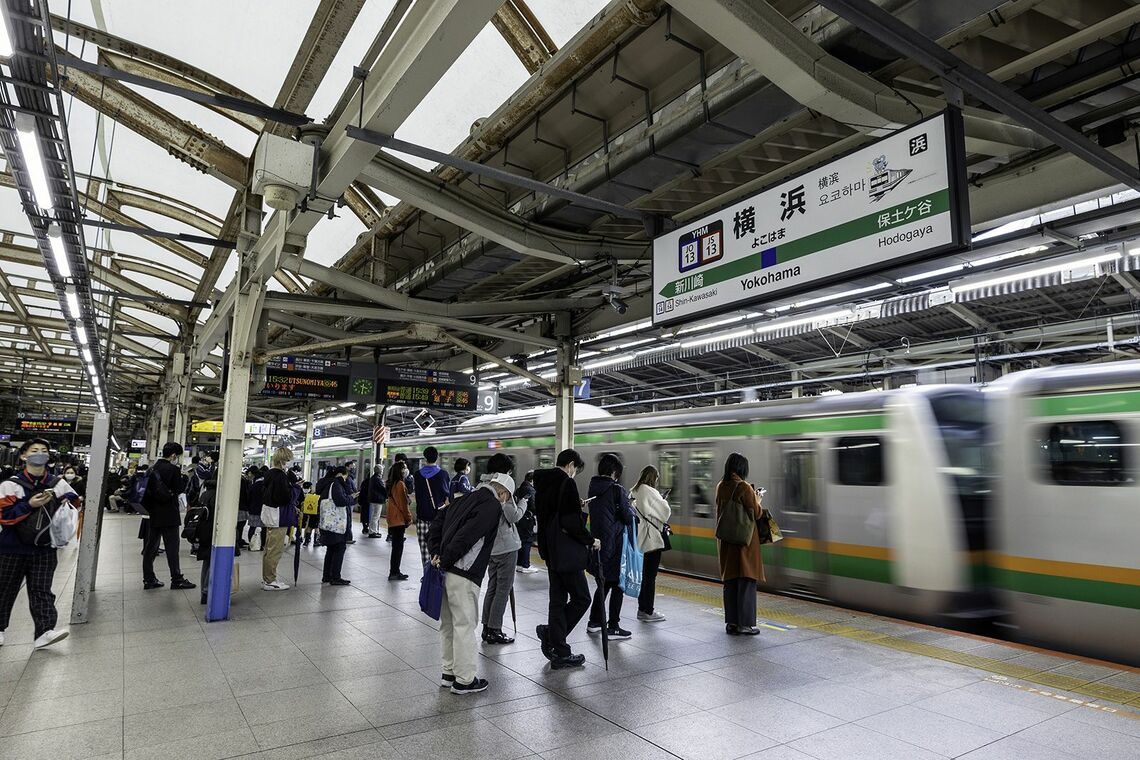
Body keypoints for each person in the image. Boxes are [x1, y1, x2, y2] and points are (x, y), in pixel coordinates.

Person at [429, 472, 515, 695]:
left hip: (445, 572)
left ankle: (448, 673)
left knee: (447, 624)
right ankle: (465, 680)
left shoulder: (463, 498)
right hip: (464, 574)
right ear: (503, 493)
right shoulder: (492, 506)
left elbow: (437, 522)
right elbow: (467, 536)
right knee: (464, 626)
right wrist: (447, 558)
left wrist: (436, 553)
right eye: (507, 498)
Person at [0, 439, 77, 648]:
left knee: (42, 589)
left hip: (44, 547)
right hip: (11, 548)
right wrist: (29, 505)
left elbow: (75, 502)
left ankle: (45, 632)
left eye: (44, 451)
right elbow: (4, 516)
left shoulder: (57, 483)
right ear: (24, 456)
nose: (39, 454)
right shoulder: (10, 485)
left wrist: (64, 503)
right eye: (34, 450)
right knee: (4, 588)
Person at [534, 448, 596, 669]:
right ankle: (552, 635)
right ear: (570, 464)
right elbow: (570, 523)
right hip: (565, 552)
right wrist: (590, 540)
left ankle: (560, 651)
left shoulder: (542, 482)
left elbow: (552, 514)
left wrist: (572, 505)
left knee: (558, 600)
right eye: (575, 469)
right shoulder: (566, 483)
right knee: (582, 598)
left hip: (550, 550)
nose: (574, 473)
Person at [586, 453, 635, 640]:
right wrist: (631, 507)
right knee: (617, 585)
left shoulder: (594, 487)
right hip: (614, 544)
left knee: (604, 584)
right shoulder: (616, 489)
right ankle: (613, 625)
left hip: (599, 544)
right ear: (615, 471)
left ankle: (594, 622)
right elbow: (627, 517)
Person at [716, 452, 764, 636]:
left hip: (727, 542)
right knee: (746, 581)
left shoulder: (721, 486)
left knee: (731, 582)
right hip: (744, 543)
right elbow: (757, 513)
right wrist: (757, 497)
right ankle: (745, 624)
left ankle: (732, 623)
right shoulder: (743, 487)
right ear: (742, 468)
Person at [480, 461, 526, 645]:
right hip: (506, 547)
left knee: (492, 587)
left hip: (491, 548)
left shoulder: (482, 488)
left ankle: (486, 627)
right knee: (503, 589)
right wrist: (523, 502)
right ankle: (495, 630)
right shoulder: (502, 490)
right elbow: (513, 516)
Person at [140, 443, 195, 591]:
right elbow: (179, 489)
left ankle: (149, 579)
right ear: (173, 455)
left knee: (150, 547)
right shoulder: (173, 469)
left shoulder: (151, 469)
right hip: (169, 513)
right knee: (172, 548)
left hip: (153, 514)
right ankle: (176, 579)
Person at [631, 465, 671, 622]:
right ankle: (648, 610)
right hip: (651, 539)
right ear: (654, 478)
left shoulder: (636, 490)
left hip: (640, 539)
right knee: (650, 577)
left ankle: (642, 609)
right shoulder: (650, 491)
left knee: (644, 576)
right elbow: (665, 512)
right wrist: (662, 500)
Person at [260, 447, 297, 591]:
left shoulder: (268, 474)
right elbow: (285, 498)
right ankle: (270, 580)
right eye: (287, 461)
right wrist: (295, 488)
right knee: (275, 550)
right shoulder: (280, 476)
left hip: (270, 514)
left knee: (269, 550)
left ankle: (267, 578)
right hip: (278, 517)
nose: (288, 464)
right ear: (282, 461)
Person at [412, 446, 450, 569]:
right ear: (437, 457)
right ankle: (436, 573)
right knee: (437, 546)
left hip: (422, 516)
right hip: (438, 518)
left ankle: (426, 573)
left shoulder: (417, 475)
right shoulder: (443, 474)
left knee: (424, 548)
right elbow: (446, 495)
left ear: (425, 458)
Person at [316, 466, 352, 585]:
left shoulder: (326, 484)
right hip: (336, 524)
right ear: (341, 474)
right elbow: (341, 501)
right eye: (346, 476)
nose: (346, 479)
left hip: (328, 523)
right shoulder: (336, 484)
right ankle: (335, 577)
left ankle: (327, 576)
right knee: (339, 548)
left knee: (331, 549)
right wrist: (352, 498)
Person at [384, 461, 412, 580]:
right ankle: (395, 572)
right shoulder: (400, 484)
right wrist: (409, 518)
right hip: (398, 519)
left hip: (392, 518)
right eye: (404, 468)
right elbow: (403, 504)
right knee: (398, 547)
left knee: (396, 547)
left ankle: (394, 571)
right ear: (399, 471)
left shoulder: (392, 483)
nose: (406, 470)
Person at [195, 473, 218, 605]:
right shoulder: (217, 494)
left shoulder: (205, 492)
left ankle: (204, 591)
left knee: (207, 562)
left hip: (203, 530)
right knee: (213, 560)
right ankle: (207, 591)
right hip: (212, 531)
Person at [514, 471, 538, 574]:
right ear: (533, 480)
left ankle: (519, 564)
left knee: (521, 540)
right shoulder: (530, 490)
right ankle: (525, 565)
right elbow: (533, 506)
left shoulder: (519, 488)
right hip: (527, 520)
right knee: (527, 541)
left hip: (520, 518)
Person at [366, 464, 385, 538]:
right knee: (375, 516)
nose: (382, 471)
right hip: (377, 499)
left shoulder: (373, 478)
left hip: (373, 499)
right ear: (380, 471)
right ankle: (373, 532)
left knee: (374, 516)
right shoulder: (378, 479)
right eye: (382, 469)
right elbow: (383, 489)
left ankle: (373, 531)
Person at [300, 481, 320, 546]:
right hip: (316, 512)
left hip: (309, 513)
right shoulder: (317, 495)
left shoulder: (308, 495)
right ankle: (315, 541)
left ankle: (306, 541)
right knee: (316, 527)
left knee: (309, 526)